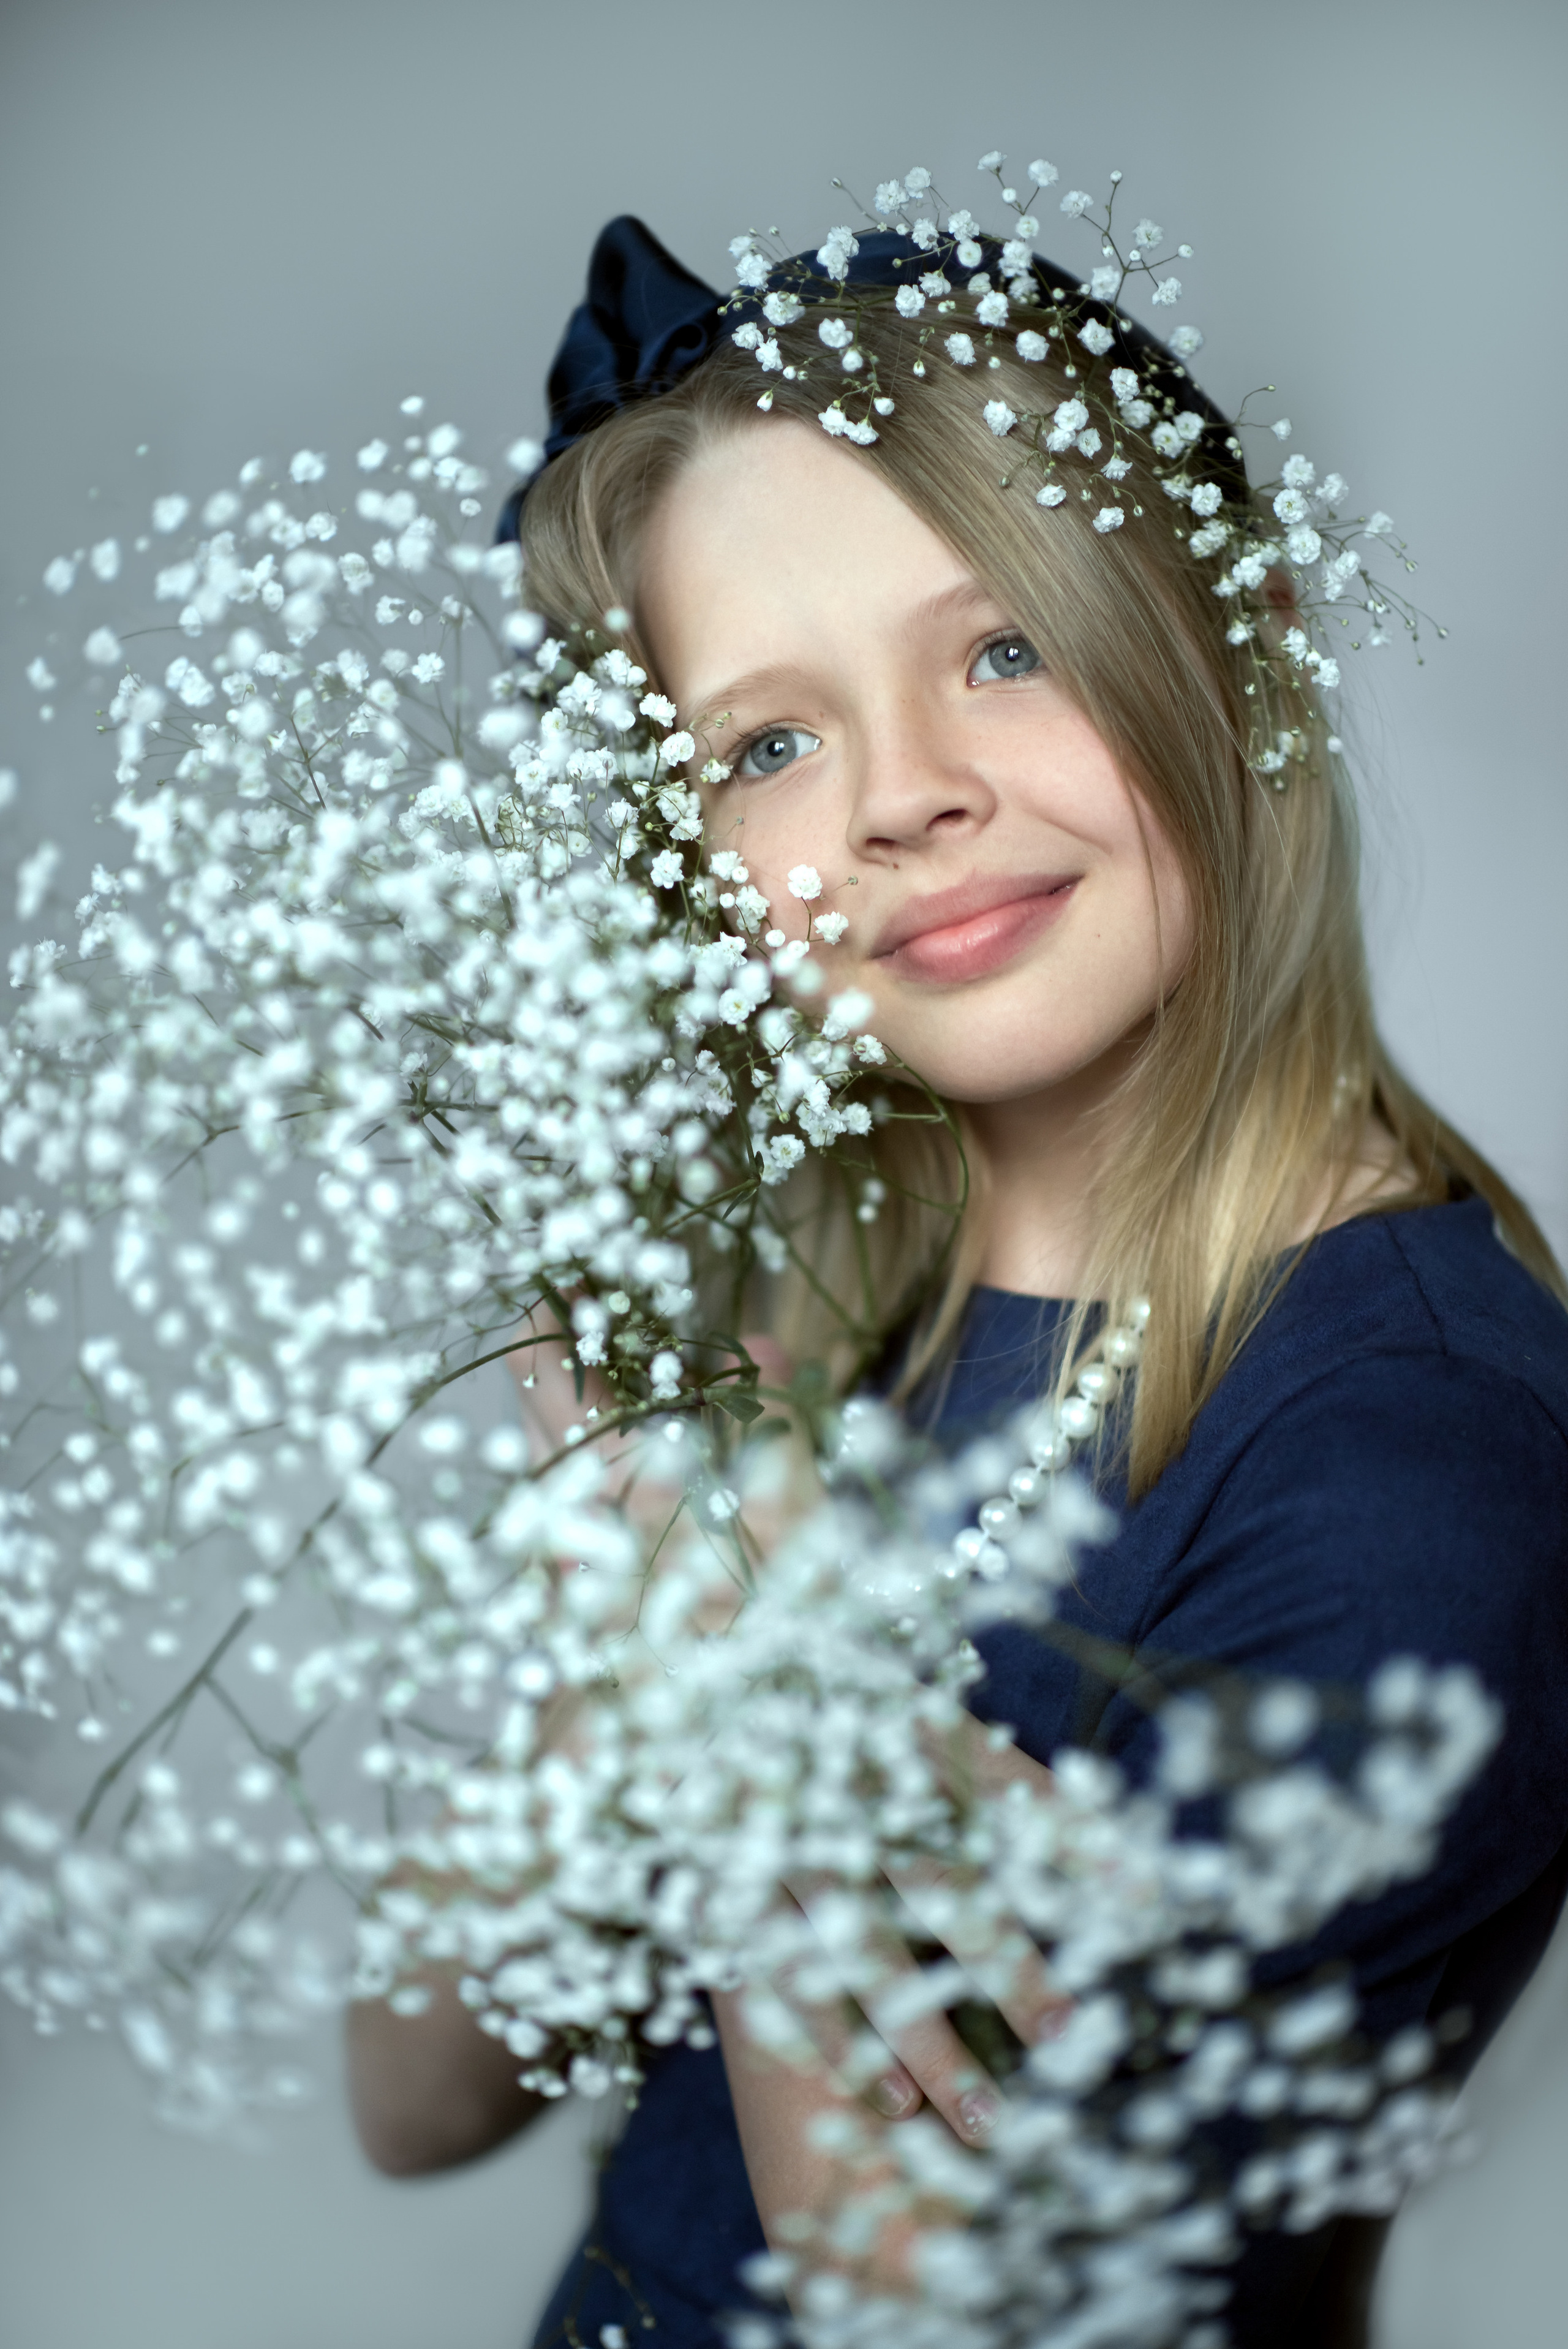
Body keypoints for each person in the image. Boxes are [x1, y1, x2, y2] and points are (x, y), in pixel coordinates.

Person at [346, 212, 1568, 2348]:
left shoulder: (1412, 1460)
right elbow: (417, 2094)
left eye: (1004, 648)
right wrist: (638, 1612)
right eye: (766, 743)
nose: (906, 795)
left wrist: (745, 1684)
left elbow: (915, 2304)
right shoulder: (823, 1326)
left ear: (1248, 652)